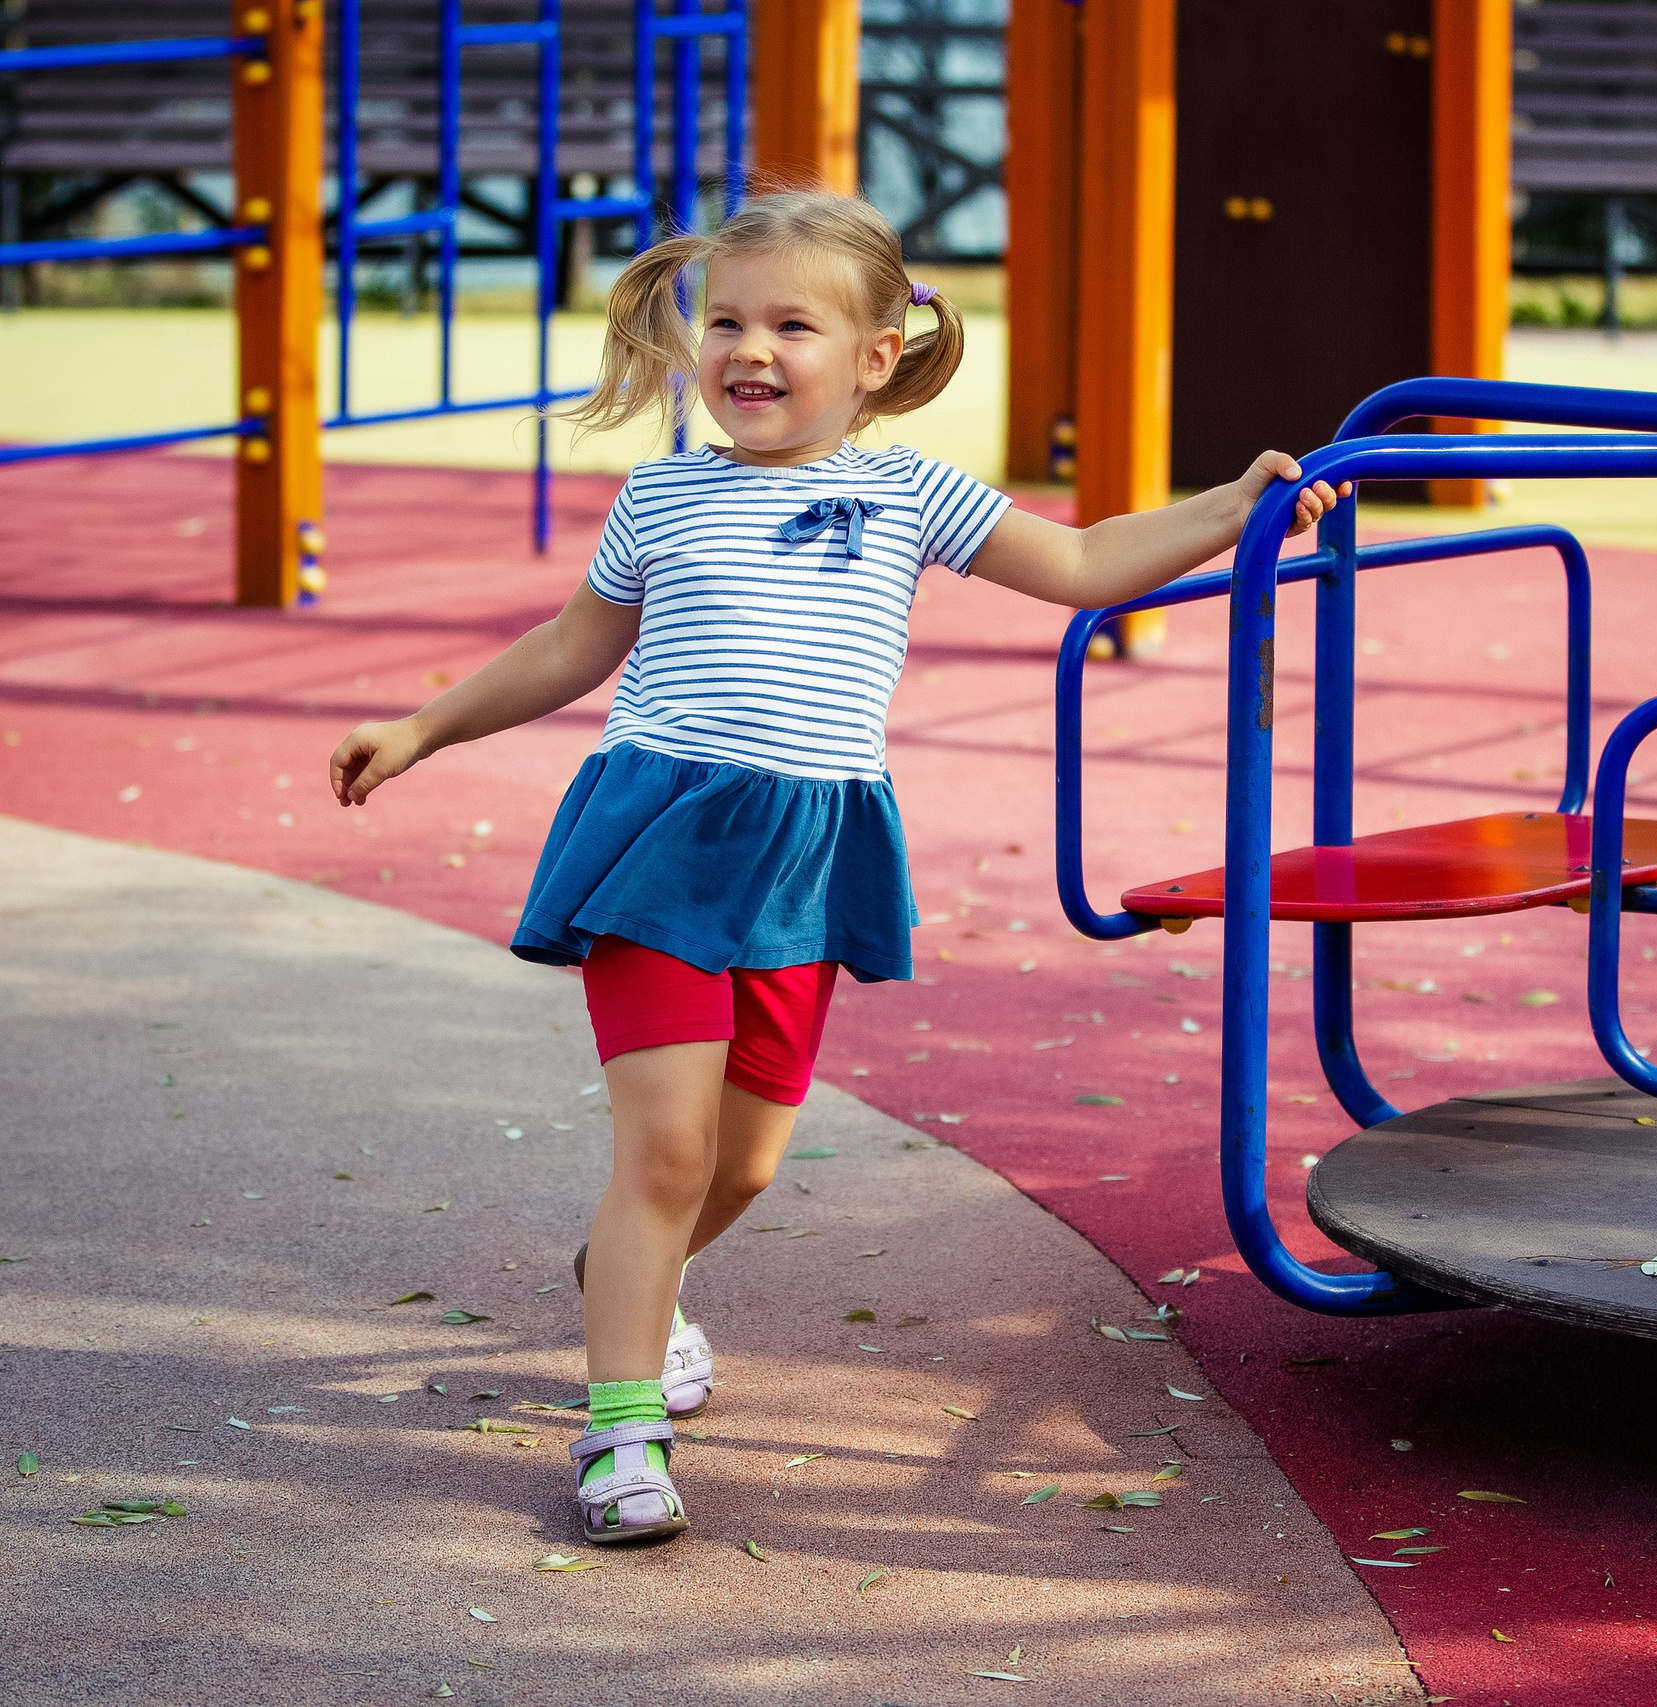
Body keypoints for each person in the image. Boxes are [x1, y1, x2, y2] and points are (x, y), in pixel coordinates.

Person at [326, 190, 1341, 1545]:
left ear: (873, 358)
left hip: (811, 853)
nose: (749, 348)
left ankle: (629, 1276)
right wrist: (423, 725)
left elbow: (1090, 561)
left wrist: (1230, 505)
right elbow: (572, 648)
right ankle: (621, 1433)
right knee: (668, 1148)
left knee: (739, 1168)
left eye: (791, 324)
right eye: (727, 321)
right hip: (661, 841)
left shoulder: (905, 491)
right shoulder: (664, 495)